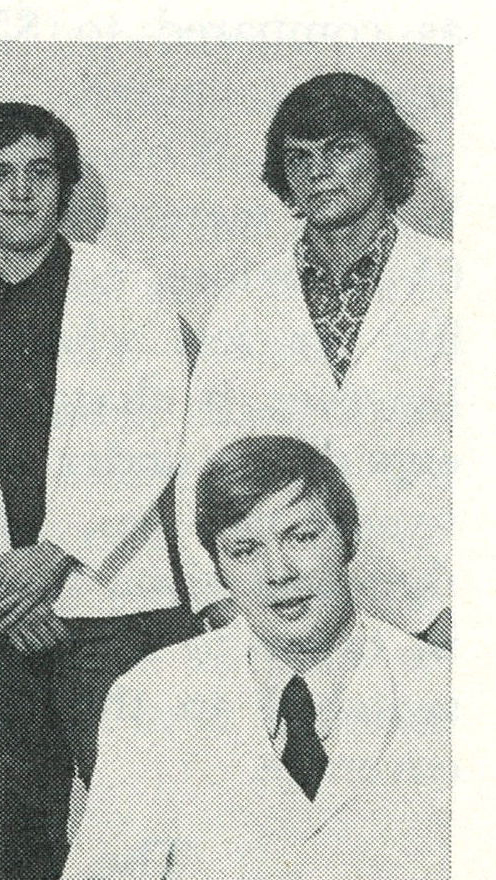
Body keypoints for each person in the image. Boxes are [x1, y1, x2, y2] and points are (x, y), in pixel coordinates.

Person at [0, 102, 193, 880]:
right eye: (0, 173)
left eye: (39, 172)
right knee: (7, 837)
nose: (20, 191)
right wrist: (13, 584)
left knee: (140, 820)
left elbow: (152, 429)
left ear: (63, 187)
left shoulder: (130, 293)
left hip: (114, 604)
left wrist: (57, 556)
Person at [60, 437, 450, 880]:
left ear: (348, 539)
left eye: (302, 538)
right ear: (219, 571)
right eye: (245, 551)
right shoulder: (153, 697)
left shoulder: (447, 696)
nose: (278, 573)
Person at [176, 72, 450, 649]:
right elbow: (205, 454)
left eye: (341, 150)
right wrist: (225, 601)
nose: (318, 173)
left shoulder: (458, 282)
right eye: (299, 158)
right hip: (287, 602)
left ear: (387, 160)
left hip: (442, 601)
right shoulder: (246, 300)